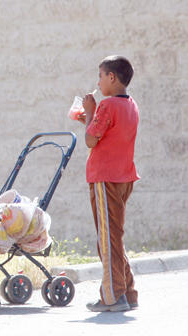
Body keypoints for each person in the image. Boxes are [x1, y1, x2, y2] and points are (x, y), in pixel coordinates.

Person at [77, 55, 139, 312]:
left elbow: (91, 141)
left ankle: (112, 296)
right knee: (115, 236)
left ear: (111, 77)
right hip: (124, 176)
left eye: (101, 76)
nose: (98, 82)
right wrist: (90, 119)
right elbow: (107, 134)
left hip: (105, 178)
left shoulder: (107, 105)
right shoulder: (130, 104)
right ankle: (128, 292)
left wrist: (91, 111)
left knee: (107, 238)